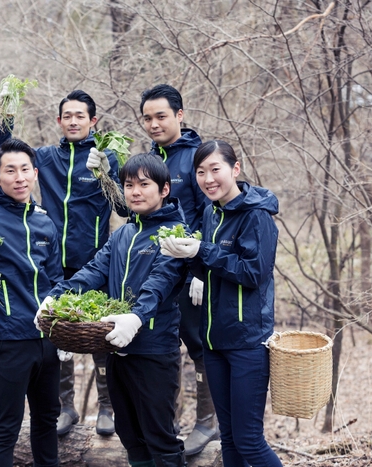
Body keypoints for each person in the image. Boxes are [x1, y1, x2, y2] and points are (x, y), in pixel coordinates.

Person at [0, 88, 127, 436]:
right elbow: (2, 154)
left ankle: (107, 407)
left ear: (93, 121)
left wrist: (107, 176)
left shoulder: (105, 155)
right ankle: (65, 406)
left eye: (81, 115)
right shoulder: (46, 157)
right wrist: (5, 114)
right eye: (67, 116)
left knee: (101, 337)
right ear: (59, 121)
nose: (74, 121)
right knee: (54, 337)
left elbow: (126, 207)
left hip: (96, 263)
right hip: (54, 265)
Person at [40, 154, 189, 467]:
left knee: (159, 438)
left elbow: (160, 284)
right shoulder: (122, 234)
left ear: (164, 190)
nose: (135, 192)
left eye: (144, 185)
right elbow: (93, 271)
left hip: (153, 351)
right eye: (129, 185)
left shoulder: (174, 235)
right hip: (115, 349)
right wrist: (58, 296)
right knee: (129, 433)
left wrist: (135, 318)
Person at [160, 140, 283, 467]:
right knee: (228, 437)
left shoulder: (256, 216)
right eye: (201, 172)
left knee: (249, 440)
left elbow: (253, 273)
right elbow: (211, 267)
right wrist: (186, 254)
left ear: (235, 169)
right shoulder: (211, 212)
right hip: (213, 340)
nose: (208, 178)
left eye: (216, 169)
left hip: (247, 342)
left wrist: (202, 251)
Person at [0, 138, 64, 467]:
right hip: (9, 338)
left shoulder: (45, 223)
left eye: (24, 170)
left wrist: (61, 316)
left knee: (48, 420)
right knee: (6, 426)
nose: (19, 177)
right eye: (10, 171)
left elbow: (56, 278)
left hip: (47, 339)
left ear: (35, 174)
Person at [140, 84, 216, 455]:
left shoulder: (196, 157)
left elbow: (211, 213)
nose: (154, 124)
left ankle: (207, 422)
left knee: (198, 343)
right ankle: (164, 424)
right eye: (148, 118)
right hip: (155, 271)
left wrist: (200, 267)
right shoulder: (147, 158)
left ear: (179, 116)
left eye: (161, 116)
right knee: (162, 344)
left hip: (190, 270)